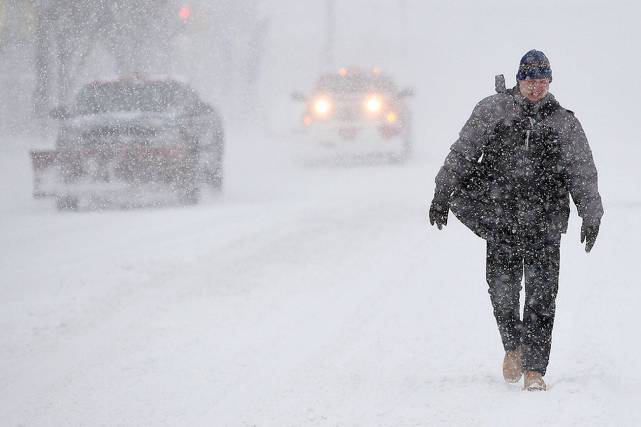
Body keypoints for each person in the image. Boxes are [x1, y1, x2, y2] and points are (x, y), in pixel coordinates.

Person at [428, 50, 603, 391]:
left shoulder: (562, 121)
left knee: (541, 295)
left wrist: (591, 213)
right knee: (503, 293)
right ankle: (513, 347)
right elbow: (463, 152)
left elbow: (581, 170)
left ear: (549, 82)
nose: (535, 87)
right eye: (528, 80)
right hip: (500, 218)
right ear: (518, 80)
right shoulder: (492, 112)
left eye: (541, 80)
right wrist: (441, 192)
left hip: (545, 221)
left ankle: (535, 370)